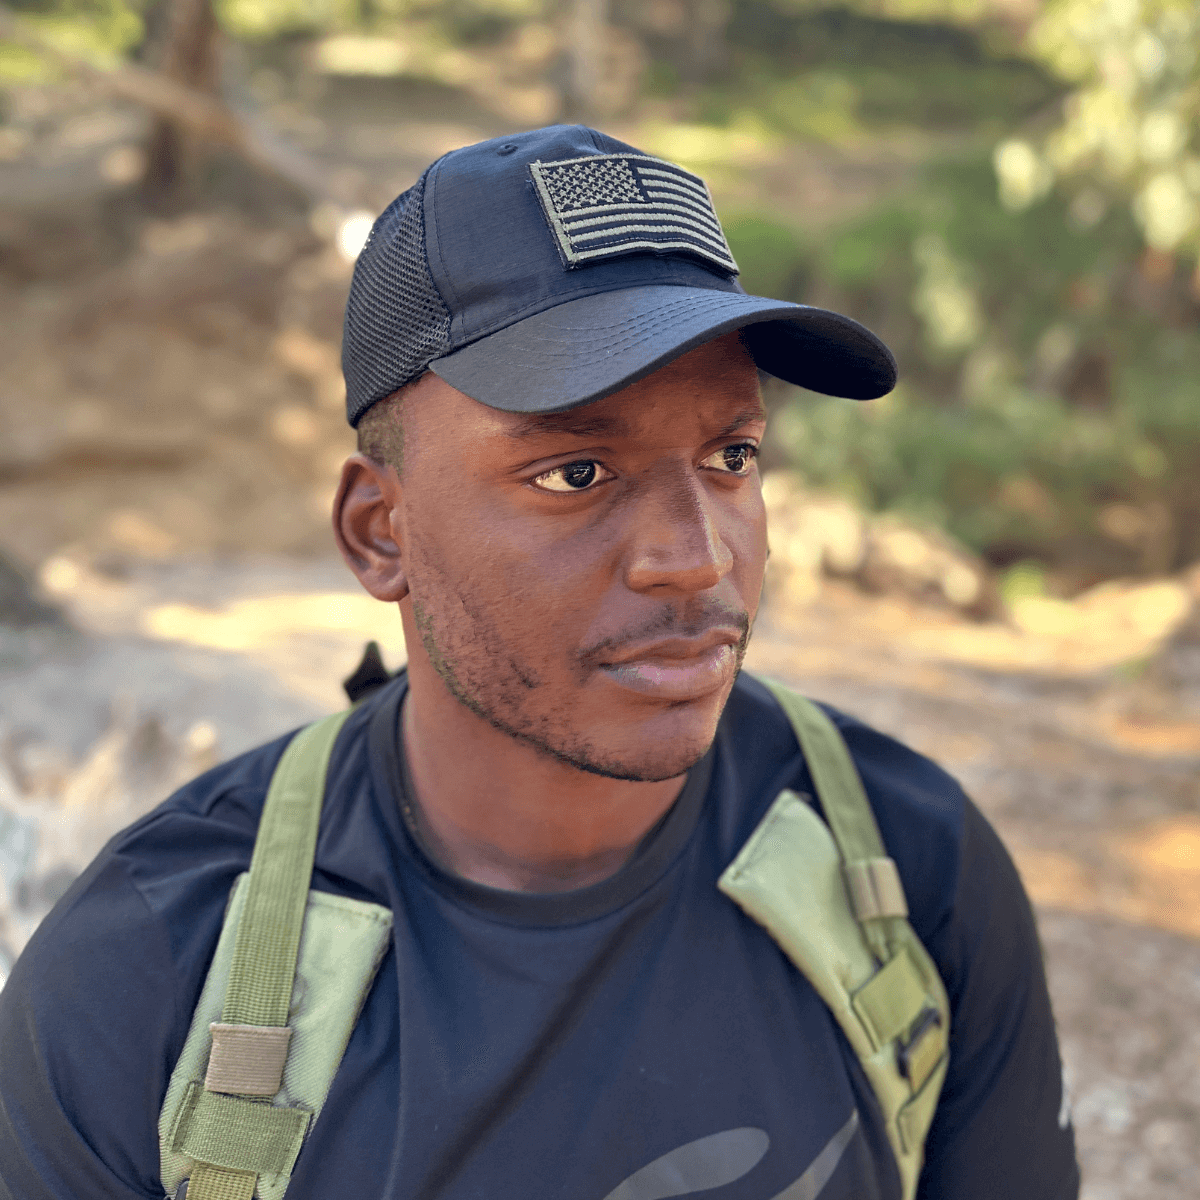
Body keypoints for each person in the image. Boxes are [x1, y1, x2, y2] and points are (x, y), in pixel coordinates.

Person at [0, 125, 1079, 1200]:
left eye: (731, 457)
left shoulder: (907, 871)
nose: (695, 557)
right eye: (575, 472)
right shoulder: (145, 978)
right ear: (383, 532)